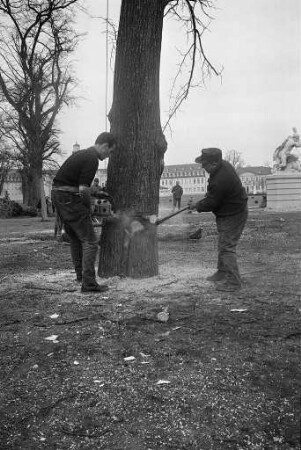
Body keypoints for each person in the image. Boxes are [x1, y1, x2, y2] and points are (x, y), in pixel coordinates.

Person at [51, 132, 116, 293]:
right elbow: (83, 189)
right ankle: (88, 283)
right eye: (110, 151)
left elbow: (74, 183)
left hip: (59, 196)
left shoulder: (82, 154)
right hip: (68, 198)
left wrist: (96, 193)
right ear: (104, 146)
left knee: (75, 238)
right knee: (90, 241)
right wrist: (88, 209)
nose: (108, 155)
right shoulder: (91, 158)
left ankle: (80, 276)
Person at [189, 148, 248, 292]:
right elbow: (214, 196)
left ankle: (234, 283)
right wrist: (205, 199)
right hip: (229, 211)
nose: (202, 166)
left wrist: (197, 205)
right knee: (223, 245)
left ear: (214, 163)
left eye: (205, 164)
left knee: (227, 247)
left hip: (232, 214)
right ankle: (222, 272)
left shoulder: (221, 179)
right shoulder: (222, 166)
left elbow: (211, 202)